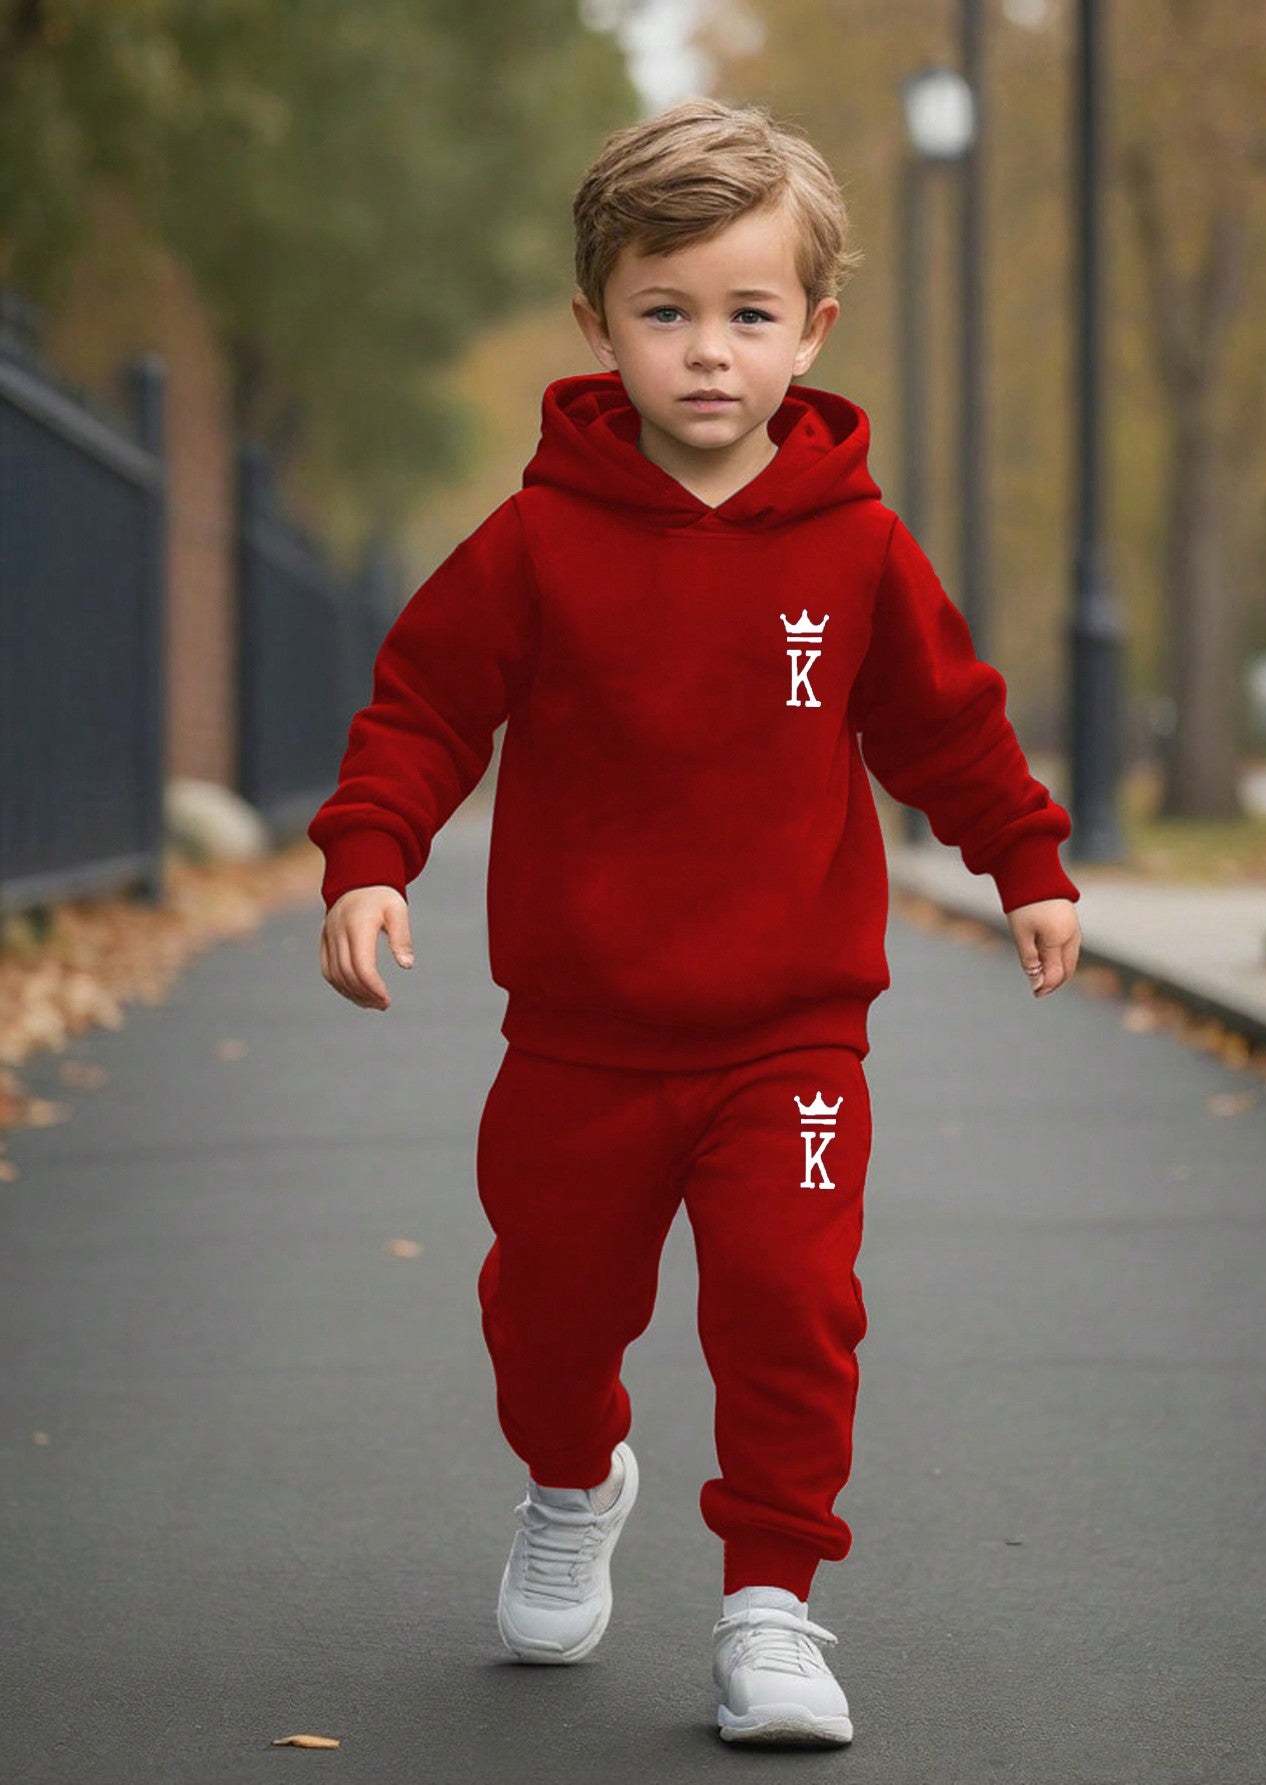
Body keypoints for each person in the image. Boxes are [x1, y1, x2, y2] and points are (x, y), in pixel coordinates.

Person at [307, 95, 1082, 1748]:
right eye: (666, 313)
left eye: (748, 314)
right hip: (580, 1040)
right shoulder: (536, 544)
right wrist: (370, 855)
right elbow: (424, 708)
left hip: (791, 1035)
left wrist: (1027, 858)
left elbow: (943, 723)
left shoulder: (857, 547)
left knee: (790, 1301)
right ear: (600, 325)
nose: (709, 354)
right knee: (548, 1316)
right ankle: (572, 1477)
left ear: (814, 329)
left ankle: (771, 1609)